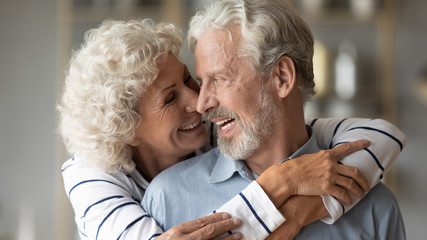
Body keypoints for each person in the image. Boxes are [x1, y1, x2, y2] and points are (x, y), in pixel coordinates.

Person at [58, 19, 405, 240]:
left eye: (206, 79)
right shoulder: (102, 182)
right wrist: (283, 183)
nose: (199, 101)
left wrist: (305, 207)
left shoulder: (218, 131)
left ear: (282, 77)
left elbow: (380, 134)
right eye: (169, 98)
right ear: (126, 128)